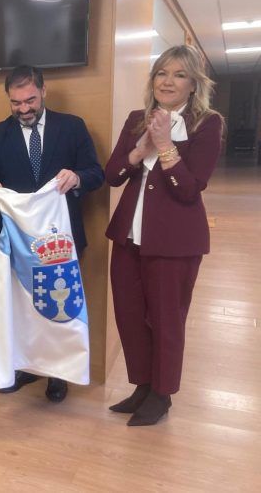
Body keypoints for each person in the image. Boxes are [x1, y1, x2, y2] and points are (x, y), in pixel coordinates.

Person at [105, 45, 223, 426]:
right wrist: (138, 152)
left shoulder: (207, 124)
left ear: (194, 85)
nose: (168, 81)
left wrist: (167, 148)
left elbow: (189, 189)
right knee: (129, 315)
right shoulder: (136, 119)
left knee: (166, 319)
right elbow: (112, 175)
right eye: (161, 73)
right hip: (128, 237)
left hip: (174, 242)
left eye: (179, 74)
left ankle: (162, 393)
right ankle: (142, 386)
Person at [0, 65, 104, 402]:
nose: (24, 109)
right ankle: (22, 366)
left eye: (30, 100)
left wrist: (77, 178)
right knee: (19, 309)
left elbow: (96, 173)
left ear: (44, 91)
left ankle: (58, 374)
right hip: (16, 243)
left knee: (57, 308)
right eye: (15, 103)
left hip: (60, 242)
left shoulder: (72, 127)